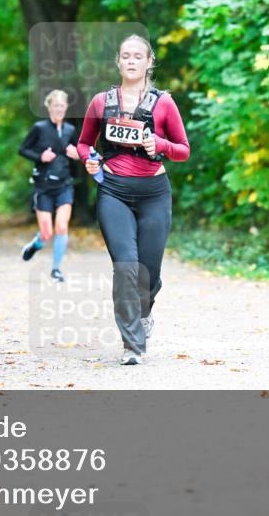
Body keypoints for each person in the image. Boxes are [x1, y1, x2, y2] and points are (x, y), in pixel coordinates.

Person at [76, 35, 190, 365]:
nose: (131, 61)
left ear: (148, 62)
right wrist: (90, 160)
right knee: (126, 265)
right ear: (118, 62)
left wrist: (161, 144)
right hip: (113, 191)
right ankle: (132, 346)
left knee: (148, 273)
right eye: (125, 55)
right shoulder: (101, 102)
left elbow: (183, 150)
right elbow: (84, 144)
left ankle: (144, 313)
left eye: (137, 56)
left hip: (154, 194)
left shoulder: (164, 103)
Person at [18, 89, 80, 282]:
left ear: (66, 107)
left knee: (61, 227)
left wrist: (77, 154)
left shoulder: (70, 130)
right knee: (46, 233)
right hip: (43, 186)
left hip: (64, 185)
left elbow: (81, 153)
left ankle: (56, 270)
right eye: (56, 105)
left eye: (62, 106)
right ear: (49, 107)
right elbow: (22, 149)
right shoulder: (39, 128)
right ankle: (35, 245)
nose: (59, 109)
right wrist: (40, 157)